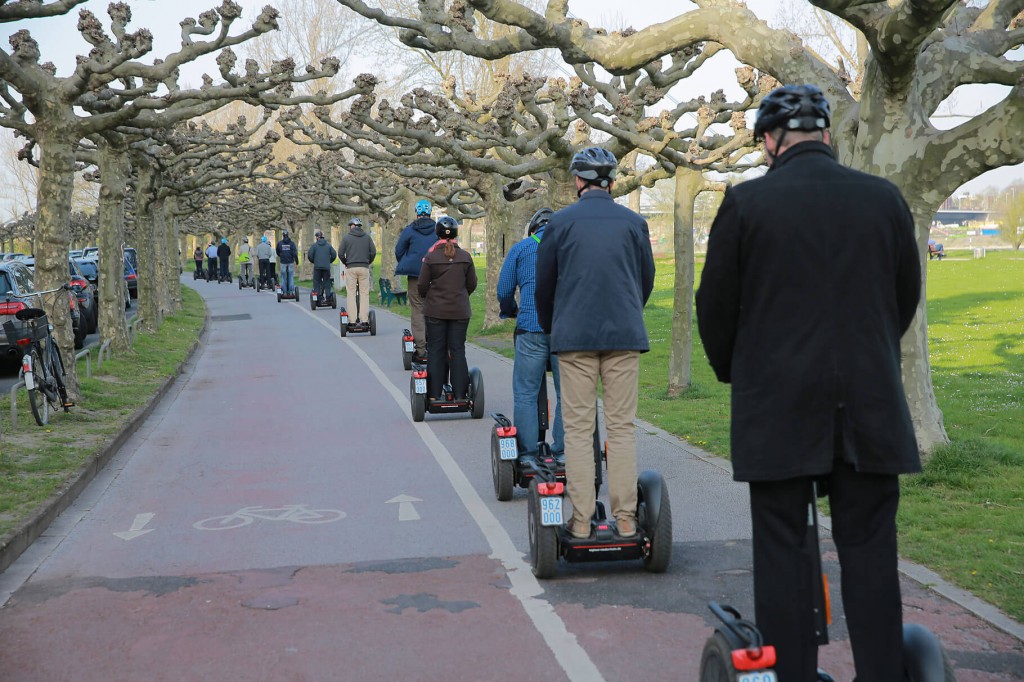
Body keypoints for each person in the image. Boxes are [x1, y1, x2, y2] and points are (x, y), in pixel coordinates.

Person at [694, 84, 922, 682]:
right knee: (871, 551)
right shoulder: (884, 199)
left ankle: (792, 674)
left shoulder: (746, 204)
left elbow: (715, 309)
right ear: (826, 133)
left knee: (784, 551)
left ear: (771, 141)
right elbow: (904, 298)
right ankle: (882, 674)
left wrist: (735, 371)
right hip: (870, 406)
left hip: (778, 407)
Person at [535, 147, 655, 541]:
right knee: (621, 429)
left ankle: (582, 522)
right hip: (623, 336)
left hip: (574, 339)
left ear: (578, 182)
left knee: (579, 429)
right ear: (612, 182)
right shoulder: (635, 223)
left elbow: (545, 288)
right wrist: (626, 313)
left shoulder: (560, 223)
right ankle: (625, 520)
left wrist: (557, 329)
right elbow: (645, 280)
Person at [497, 207, 564, 467]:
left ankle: (526, 457)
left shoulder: (521, 248)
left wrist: (509, 310)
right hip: (564, 331)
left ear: (532, 228)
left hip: (531, 327)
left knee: (526, 393)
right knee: (568, 395)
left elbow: (504, 289)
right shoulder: (569, 247)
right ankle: (563, 453)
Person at [417, 216, 477, 400]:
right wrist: (459, 295)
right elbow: (472, 284)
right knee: (458, 349)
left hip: (436, 311)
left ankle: (434, 394)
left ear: (437, 233)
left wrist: (431, 297)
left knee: (436, 349)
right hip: (460, 311)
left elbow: (422, 285)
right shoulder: (465, 257)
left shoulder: (431, 257)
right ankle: (460, 394)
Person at [395, 200, 437, 362]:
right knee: (435, 310)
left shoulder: (410, 230)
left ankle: (421, 350)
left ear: (416, 212)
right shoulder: (437, 229)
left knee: (418, 310)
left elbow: (399, 251)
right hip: (436, 276)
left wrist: (407, 262)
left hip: (415, 276)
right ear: (430, 212)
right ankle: (435, 346)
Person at [339, 217, 377, 322]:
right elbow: (373, 252)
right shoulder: (367, 238)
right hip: (364, 267)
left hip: (351, 268)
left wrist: (346, 262)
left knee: (351, 293)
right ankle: (364, 319)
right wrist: (368, 261)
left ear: (352, 226)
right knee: (364, 293)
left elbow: (340, 253)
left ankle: (352, 319)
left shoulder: (346, 238)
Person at [307, 229, 337, 300]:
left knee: (317, 282)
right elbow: (334, 254)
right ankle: (328, 296)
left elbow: (309, 255)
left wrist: (314, 261)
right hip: (326, 267)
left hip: (317, 267)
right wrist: (329, 261)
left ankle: (318, 296)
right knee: (327, 281)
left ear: (317, 237)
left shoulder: (314, 246)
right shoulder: (328, 245)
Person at [276, 229, 298, 294]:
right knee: (291, 276)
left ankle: (284, 291)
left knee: (283, 277)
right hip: (290, 261)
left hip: (283, 261)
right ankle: (291, 291)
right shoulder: (292, 243)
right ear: (288, 235)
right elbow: (294, 253)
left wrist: (281, 255)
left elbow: (277, 251)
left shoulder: (280, 243)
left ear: (283, 235)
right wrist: (296, 261)